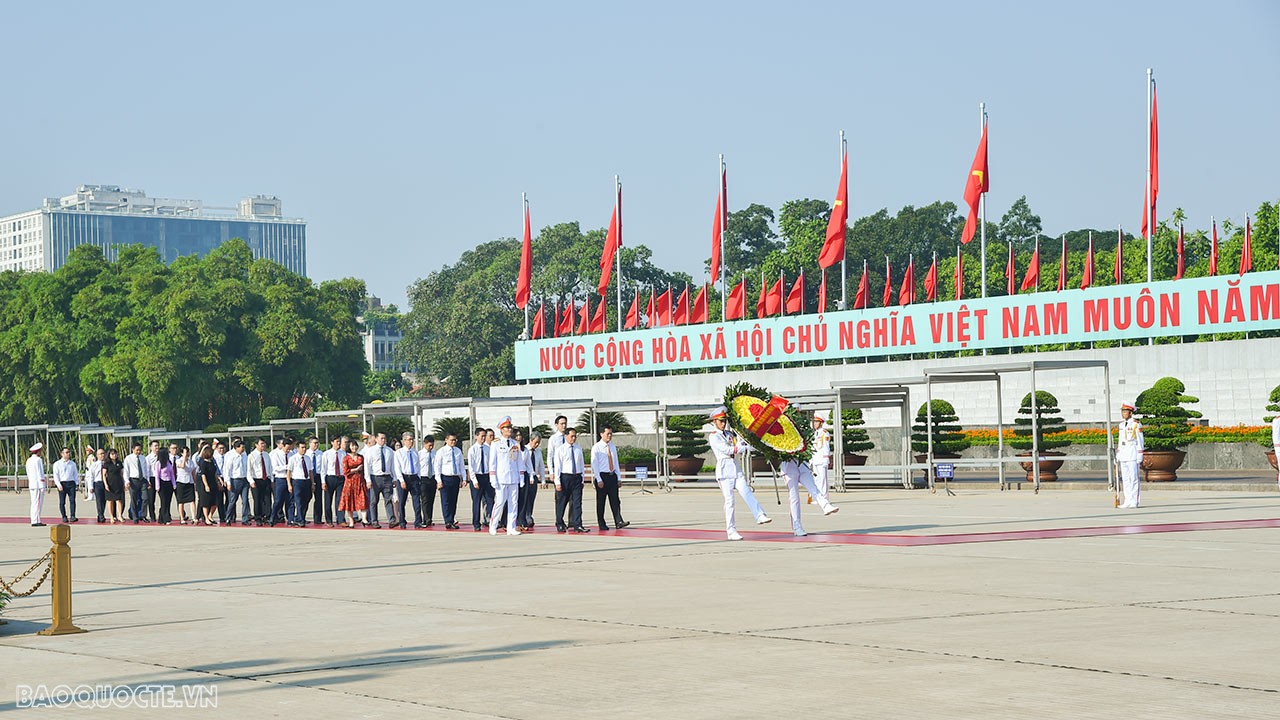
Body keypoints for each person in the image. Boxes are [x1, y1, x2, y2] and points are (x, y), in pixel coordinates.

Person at [708, 406, 771, 540]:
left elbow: (741, 443)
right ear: (714, 422)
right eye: (720, 421)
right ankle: (731, 531)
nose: (723, 423)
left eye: (724, 421)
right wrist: (743, 448)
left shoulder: (730, 434)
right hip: (724, 470)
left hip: (736, 469)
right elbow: (727, 450)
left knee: (747, 492)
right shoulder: (714, 437)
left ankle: (759, 515)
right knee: (730, 501)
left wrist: (751, 442)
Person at [779, 458, 840, 537]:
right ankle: (797, 527)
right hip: (788, 466)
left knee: (813, 487)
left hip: (802, 464)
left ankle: (826, 506)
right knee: (794, 497)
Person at [489, 417, 525, 536]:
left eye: (510, 427)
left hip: (513, 477)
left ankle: (511, 527)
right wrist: (493, 477)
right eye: (507, 428)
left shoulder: (515, 443)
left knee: (513, 503)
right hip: (501, 478)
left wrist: (521, 476)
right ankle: (493, 525)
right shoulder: (496, 444)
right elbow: (492, 462)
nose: (510, 430)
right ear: (501, 429)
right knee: (499, 502)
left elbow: (519, 461)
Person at [591, 427, 629, 531]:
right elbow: (595, 465)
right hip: (602, 476)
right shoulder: (596, 447)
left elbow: (615, 462)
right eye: (608, 434)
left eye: (611, 434)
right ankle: (601, 523)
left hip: (612, 476)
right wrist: (598, 479)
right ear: (601, 434)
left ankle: (618, 521)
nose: (610, 436)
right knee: (601, 502)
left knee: (615, 500)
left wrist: (619, 478)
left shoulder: (612, 446)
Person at [555, 428, 589, 533]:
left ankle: (577, 524)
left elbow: (581, 464)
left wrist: (582, 479)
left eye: (575, 436)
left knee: (577, 502)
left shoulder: (578, 448)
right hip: (565, 477)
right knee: (562, 501)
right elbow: (557, 466)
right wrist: (557, 482)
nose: (573, 438)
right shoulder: (560, 449)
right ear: (566, 436)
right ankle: (559, 523)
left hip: (576, 477)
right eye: (571, 436)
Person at [362, 433, 397, 528]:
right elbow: (367, 466)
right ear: (376, 439)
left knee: (388, 499)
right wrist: (368, 480)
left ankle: (392, 520)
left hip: (387, 477)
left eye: (384, 438)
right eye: (381, 438)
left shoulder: (389, 451)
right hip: (375, 478)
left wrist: (394, 478)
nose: (383, 440)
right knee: (373, 501)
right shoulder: (371, 451)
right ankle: (374, 521)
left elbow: (392, 466)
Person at [1116, 403, 1145, 509]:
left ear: (1131, 412)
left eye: (1125, 411)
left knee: (1134, 478)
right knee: (1125, 479)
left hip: (1133, 454)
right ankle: (1127, 500)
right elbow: (1120, 440)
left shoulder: (1136, 424)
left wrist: (1140, 455)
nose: (1123, 413)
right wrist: (1118, 453)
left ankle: (1134, 501)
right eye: (1122, 411)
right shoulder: (1121, 425)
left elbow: (1140, 440)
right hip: (1124, 454)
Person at [434, 433, 465, 529]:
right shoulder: (441, 451)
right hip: (445, 478)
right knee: (446, 501)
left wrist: (463, 478)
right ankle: (447, 521)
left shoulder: (457, 451)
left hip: (455, 478)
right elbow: (437, 466)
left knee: (453, 500)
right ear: (446, 440)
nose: (453, 442)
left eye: (455, 440)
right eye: (451, 440)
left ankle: (452, 519)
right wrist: (439, 480)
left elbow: (461, 466)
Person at [394, 431, 423, 529]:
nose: (411, 442)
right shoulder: (399, 452)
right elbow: (397, 467)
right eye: (409, 440)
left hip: (414, 478)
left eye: (412, 439)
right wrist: (401, 480)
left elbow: (418, 466)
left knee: (416, 500)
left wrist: (418, 477)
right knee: (402, 501)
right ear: (404, 441)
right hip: (404, 477)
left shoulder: (415, 452)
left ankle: (418, 521)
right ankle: (402, 521)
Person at [467, 428, 495, 531]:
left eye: (484, 436)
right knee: (476, 501)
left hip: (487, 476)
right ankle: (476, 523)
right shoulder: (472, 449)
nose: (483, 438)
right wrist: (474, 480)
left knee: (490, 500)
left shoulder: (488, 449)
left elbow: (492, 464)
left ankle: (492, 521)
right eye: (481, 436)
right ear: (476, 436)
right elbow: (471, 466)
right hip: (477, 476)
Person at [340, 438, 368, 528]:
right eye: (352, 445)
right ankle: (351, 520)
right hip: (350, 482)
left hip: (360, 481)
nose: (354, 447)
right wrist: (356, 469)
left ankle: (364, 518)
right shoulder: (346, 458)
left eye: (356, 445)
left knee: (362, 499)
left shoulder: (361, 457)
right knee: (349, 501)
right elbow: (345, 471)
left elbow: (365, 469)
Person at [518, 432, 543, 530]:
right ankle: (522, 517)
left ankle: (529, 516)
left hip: (534, 477)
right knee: (524, 499)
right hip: (525, 476)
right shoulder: (524, 450)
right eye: (536, 442)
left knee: (531, 498)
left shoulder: (538, 452)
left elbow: (541, 466)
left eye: (538, 443)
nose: (537, 445)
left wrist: (543, 480)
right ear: (531, 440)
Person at [286, 440, 313, 527]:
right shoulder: (293, 458)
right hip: (297, 481)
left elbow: (310, 471)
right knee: (298, 501)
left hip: (306, 481)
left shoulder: (308, 458)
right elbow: (289, 473)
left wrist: (313, 483)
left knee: (306, 500)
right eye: (302, 447)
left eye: (305, 447)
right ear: (297, 448)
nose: (304, 449)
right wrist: (289, 484)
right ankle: (300, 520)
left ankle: (300, 517)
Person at [321, 436, 347, 527]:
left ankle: (340, 519)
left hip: (340, 478)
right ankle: (329, 520)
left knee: (340, 500)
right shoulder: (326, 454)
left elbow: (345, 467)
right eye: (337, 441)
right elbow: (323, 469)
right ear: (332, 442)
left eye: (339, 442)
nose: (338, 443)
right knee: (328, 500)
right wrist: (323, 482)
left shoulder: (343, 453)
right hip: (330, 478)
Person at [224, 439, 251, 525]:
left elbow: (247, 468)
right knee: (232, 500)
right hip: (235, 480)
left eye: (244, 447)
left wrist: (250, 480)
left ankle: (245, 519)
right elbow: (227, 470)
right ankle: (228, 518)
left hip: (244, 480)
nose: (243, 449)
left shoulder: (244, 455)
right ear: (236, 447)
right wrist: (228, 482)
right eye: (241, 447)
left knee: (245, 500)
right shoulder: (231, 456)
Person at [247, 438, 272, 526]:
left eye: (264, 443)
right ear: (256, 445)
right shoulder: (251, 455)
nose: (263, 445)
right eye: (261, 443)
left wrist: (271, 479)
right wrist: (251, 481)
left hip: (266, 479)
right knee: (257, 500)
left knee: (267, 499)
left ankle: (267, 516)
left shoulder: (266, 454)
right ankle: (258, 517)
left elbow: (269, 467)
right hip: (256, 479)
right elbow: (249, 470)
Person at [52, 446, 80, 523]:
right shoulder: (57, 464)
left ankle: (73, 516)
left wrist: (77, 484)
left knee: (72, 500)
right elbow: (56, 475)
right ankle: (64, 516)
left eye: (68, 452)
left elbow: (75, 474)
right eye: (66, 452)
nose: (68, 454)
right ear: (62, 454)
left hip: (71, 483)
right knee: (62, 502)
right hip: (62, 483)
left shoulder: (72, 464)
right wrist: (58, 485)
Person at [269, 437, 294, 526]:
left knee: (290, 500)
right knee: (278, 500)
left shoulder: (291, 455)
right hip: (280, 479)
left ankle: (290, 519)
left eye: (289, 449)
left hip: (290, 479)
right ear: (282, 446)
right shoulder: (276, 455)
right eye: (287, 449)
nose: (288, 451)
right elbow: (275, 468)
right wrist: (286, 466)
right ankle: (273, 517)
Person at [124, 444, 150, 525]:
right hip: (133, 480)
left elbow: (146, 470)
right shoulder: (128, 458)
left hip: (142, 480)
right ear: (133, 449)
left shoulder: (143, 458)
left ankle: (143, 515)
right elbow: (126, 470)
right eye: (137, 450)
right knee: (134, 499)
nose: (138, 451)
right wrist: (127, 481)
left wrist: (148, 481)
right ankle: (135, 516)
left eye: (139, 450)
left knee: (145, 498)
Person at [809, 413, 832, 501]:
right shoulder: (815, 433)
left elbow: (826, 447)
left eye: (817, 422)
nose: (815, 423)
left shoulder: (825, 433)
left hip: (822, 459)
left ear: (821, 423)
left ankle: (824, 498)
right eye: (814, 422)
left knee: (823, 480)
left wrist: (826, 459)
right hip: (815, 459)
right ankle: (818, 498)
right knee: (816, 479)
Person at [196, 445, 221, 526]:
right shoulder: (203, 462)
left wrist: (218, 481)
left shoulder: (212, 462)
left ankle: (210, 515)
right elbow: (203, 475)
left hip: (213, 483)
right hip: (206, 484)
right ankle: (206, 518)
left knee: (216, 502)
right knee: (206, 502)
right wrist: (206, 485)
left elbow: (215, 473)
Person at [174, 446, 198, 524]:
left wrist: (195, 482)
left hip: (189, 482)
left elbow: (193, 472)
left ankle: (194, 517)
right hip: (181, 482)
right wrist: (184, 457)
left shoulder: (191, 462)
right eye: (185, 452)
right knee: (181, 501)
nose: (187, 454)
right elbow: (182, 466)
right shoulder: (178, 460)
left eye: (188, 452)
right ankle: (182, 518)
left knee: (192, 500)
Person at [418, 436, 437, 527]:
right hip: (423, 478)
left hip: (432, 478)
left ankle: (429, 517)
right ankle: (425, 519)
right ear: (424, 444)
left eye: (432, 445)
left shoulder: (435, 453)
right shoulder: (420, 454)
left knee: (431, 499)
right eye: (429, 445)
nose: (431, 447)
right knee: (425, 500)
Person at [103, 448, 126, 524]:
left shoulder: (119, 463)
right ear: (109, 455)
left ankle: (120, 515)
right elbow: (104, 475)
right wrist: (106, 484)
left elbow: (122, 474)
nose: (114, 455)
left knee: (119, 500)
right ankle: (112, 516)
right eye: (112, 454)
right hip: (110, 483)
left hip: (118, 483)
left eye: (115, 454)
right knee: (110, 501)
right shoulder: (106, 463)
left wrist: (124, 483)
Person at [26, 443, 47, 526]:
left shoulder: (29, 460)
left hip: (32, 484)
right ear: (38, 451)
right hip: (38, 485)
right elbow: (40, 473)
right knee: (38, 503)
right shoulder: (38, 460)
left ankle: (34, 519)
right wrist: (42, 484)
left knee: (34, 503)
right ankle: (36, 520)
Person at [305, 437, 324, 525]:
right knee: (306, 498)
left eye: (317, 443)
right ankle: (302, 517)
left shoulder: (321, 454)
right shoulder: (306, 453)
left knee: (318, 498)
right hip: (308, 477)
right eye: (314, 443)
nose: (316, 445)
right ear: (310, 444)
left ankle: (318, 519)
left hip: (318, 476)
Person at [86, 448, 106, 523]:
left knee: (104, 500)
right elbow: (91, 476)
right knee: (99, 500)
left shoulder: (107, 464)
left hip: (106, 483)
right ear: (97, 455)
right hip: (98, 483)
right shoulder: (94, 465)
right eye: (100, 454)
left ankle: (101, 514)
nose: (102, 455)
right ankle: (101, 516)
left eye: (103, 453)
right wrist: (91, 487)